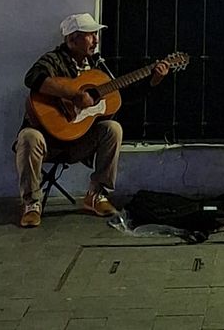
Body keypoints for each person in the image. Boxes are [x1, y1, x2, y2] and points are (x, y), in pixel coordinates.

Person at [15, 12, 170, 228]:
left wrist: (153, 80)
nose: (96, 40)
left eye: (96, 35)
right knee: (28, 136)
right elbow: (33, 78)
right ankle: (32, 203)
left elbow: (120, 95)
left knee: (112, 128)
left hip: (79, 141)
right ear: (72, 40)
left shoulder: (96, 68)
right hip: (47, 141)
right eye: (90, 35)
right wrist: (75, 95)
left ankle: (96, 194)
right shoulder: (54, 60)